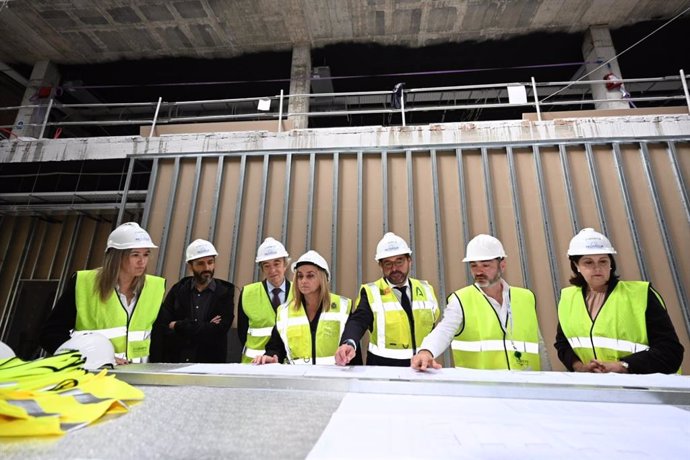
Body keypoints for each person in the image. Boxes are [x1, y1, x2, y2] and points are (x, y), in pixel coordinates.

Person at [554, 228, 683, 374]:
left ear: (611, 263)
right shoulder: (568, 298)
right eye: (588, 262)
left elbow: (670, 352)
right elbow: (563, 344)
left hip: (643, 389)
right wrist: (580, 367)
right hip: (594, 389)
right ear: (576, 266)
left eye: (603, 261)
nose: (597, 268)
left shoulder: (640, 295)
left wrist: (623, 366)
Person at [411, 234, 548, 371]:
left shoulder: (525, 297)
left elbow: (538, 344)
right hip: (481, 387)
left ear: (502, 265)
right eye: (474, 266)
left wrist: (547, 379)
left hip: (526, 386)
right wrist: (426, 351)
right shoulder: (461, 300)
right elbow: (444, 330)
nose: (478, 271)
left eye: (485, 265)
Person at [40, 222, 165, 364]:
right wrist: (92, 357)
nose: (142, 261)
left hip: (140, 378)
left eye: (146, 254)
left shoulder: (153, 288)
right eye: (135, 255)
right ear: (116, 256)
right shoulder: (85, 284)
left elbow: (160, 338)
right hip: (95, 376)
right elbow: (50, 334)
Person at [335, 232, 440, 367]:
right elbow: (359, 320)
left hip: (422, 365)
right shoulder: (371, 292)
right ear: (380, 266)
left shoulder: (426, 289)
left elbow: (437, 328)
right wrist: (349, 342)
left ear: (409, 260)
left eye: (399, 261)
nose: (394, 268)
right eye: (388, 264)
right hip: (382, 369)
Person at [253, 251, 352, 365]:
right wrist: (272, 357)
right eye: (300, 276)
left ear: (322, 278)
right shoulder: (285, 312)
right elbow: (275, 347)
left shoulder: (342, 307)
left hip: (333, 379)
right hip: (298, 379)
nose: (303, 281)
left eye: (310, 275)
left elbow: (352, 350)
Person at [150, 239, 235, 363]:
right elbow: (163, 326)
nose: (207, 268)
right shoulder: (178, 290)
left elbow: (219, 330)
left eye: (210, 262)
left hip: (210, 364)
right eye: (200, 263)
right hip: (177, 362)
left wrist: (178, 325)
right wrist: (205, 327)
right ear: (190, 266)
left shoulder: (225, 292)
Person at [237, 237, 292, 363]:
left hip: (288, 365)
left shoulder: (299, 292)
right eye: (266, 266)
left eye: (277, 264)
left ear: (285, 264)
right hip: (254, 364)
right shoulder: (247, 293)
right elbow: (242, 332)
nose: (272, 270)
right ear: (262, 269)